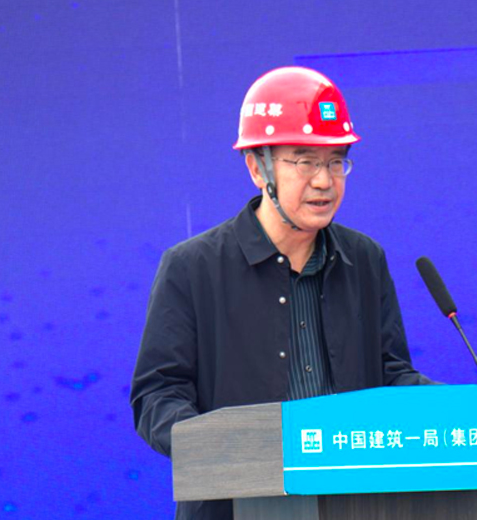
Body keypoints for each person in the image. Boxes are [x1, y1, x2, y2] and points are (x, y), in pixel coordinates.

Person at [130, 66, 436, 520]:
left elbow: (389, 374)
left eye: (336, 161)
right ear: (258, 168)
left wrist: (459, 410)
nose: (324, 181)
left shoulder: (364, 259)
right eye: (305, 162)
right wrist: (221, 446)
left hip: (354, 505)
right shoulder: (192, 268)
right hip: (237, 507)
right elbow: (158, 394)